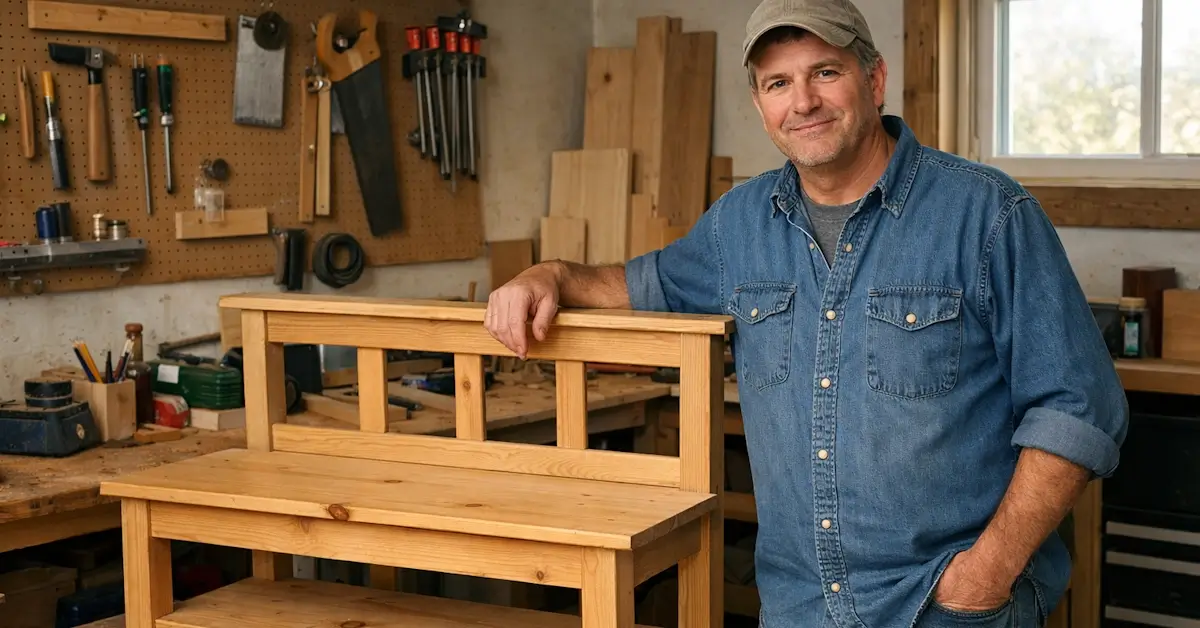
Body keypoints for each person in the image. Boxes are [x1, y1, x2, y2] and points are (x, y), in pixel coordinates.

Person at [484, 0, 1129, 625]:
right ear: (761, 104)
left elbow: (1079, 406)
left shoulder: (987, 214)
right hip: (799, 607)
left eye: (825, 72)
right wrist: (551, 274)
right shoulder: (740, 224)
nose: (803, 102)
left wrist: (987, 572)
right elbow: (639, 283)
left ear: (874, 79)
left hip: (944, 607)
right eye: (778, 82)